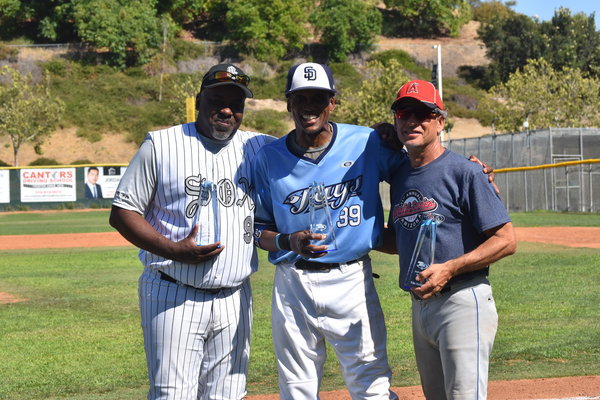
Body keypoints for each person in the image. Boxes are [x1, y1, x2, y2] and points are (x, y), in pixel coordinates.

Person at [109, 63, 273, 400]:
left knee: (228, 395)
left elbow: (308, 146)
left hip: (235, 298)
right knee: (173, 395)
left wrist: (379, 137)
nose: (227, 110)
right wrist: (172, 249)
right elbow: (123, 212)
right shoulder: (161, 144)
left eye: (236, 103)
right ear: (199, 101)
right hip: (173, 292)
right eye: (218, 101)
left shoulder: (259, 147)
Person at [252, 62, 401, 400]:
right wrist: (288, 240)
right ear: (289, 103)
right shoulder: (269, 158)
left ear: (332, 102)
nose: (309, 106)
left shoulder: (366, 142)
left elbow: (415, 172)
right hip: (292, 283)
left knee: (371, 386)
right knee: (296, 390)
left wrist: (466, 172)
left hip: (352, 279)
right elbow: (258, 229)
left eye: (318, 98)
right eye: (300, 98)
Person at [382, 80, 517, 399]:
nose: (411, 121)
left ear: (440, 122)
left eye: (422, 114)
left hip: (462, 300)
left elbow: (506, 239)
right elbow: (399, 241)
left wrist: (450, 268)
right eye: (403, 113)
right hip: (420, 307)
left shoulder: (465, 172)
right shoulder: (400, 176)